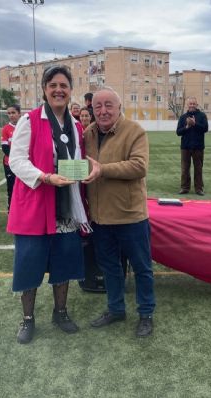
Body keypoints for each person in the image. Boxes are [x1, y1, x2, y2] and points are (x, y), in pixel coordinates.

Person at [7, 65, 89, 344]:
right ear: (44, 89)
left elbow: (77, 163)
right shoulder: (29, 121)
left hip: (64, 206)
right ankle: (28, 319)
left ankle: (61, 312)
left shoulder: (76, 126)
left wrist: (87, 170)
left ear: (70, 90)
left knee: (64, 261)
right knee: (29, 263)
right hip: (35, 204)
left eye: (63, 85)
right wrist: (44, 177)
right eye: (53, 85)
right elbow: (16, 161)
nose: (58, 90)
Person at [83, 87, 155, 338]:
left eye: (108, 105)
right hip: (100, 218)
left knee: (141, 267)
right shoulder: (88, 134)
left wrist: (102, 169)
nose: (102, 111)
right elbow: (80, 165)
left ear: (119, 107)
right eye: (98, 106)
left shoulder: (135, 131)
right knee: (110, 268)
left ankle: (146, 313)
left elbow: (138, 166)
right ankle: (116, 309)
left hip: (130, 216)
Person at [176, 97, 208, 195]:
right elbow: (178, 132)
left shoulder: (202, 116)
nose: (192, 105)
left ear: (197, 105)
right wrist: (186, 127)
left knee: (198, 169)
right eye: (190, 104)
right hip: (185, 147)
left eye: (194, 104)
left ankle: (199, 189)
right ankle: (185, 188)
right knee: (185, 169)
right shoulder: (183, 117)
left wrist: (195, 124)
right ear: (187, 105)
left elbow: (205, 129)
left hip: (198, 147)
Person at [1, 104, 21, 212]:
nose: (11, 115)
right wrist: (17, 159)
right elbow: (5, 148)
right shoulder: (6, 129)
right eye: (9, 113)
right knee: (11, 188)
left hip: (24, 164)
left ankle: (23, 210)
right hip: (10, 164)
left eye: (13, 112)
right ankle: (12, 211)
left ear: (19, 113)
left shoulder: (25, 126)